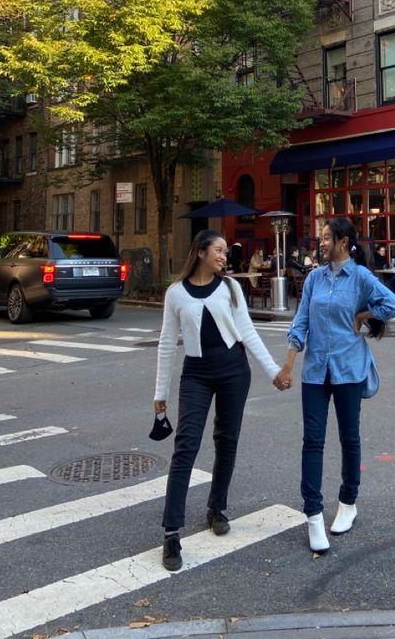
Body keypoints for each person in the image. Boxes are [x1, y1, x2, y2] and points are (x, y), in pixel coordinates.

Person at [153, 230, 289, 572]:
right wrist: (160, 394)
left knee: (226, 441)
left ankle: (217, 508)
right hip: (196, 373)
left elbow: (248, 332)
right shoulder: (175, 294)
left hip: (233, 370)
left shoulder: (231, 288)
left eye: (226, 251)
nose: (224, 256)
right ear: (200, 252)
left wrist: (274, 371)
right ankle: (171, 532)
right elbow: (167, 344)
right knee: (186, 446)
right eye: (218, 250)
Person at [275, 218, 395, 555]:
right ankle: (313, 513)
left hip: (349, 368)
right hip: (315, 370)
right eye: (321, 238)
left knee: (350, 438)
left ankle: (348, 501)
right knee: (312, 441)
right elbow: (300, 322)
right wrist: (288, 364)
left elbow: (394, 305)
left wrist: (364, 315)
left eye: (327, 238)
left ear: (344, 242)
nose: (321, 244)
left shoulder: (360, 276)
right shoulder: (314, 278)